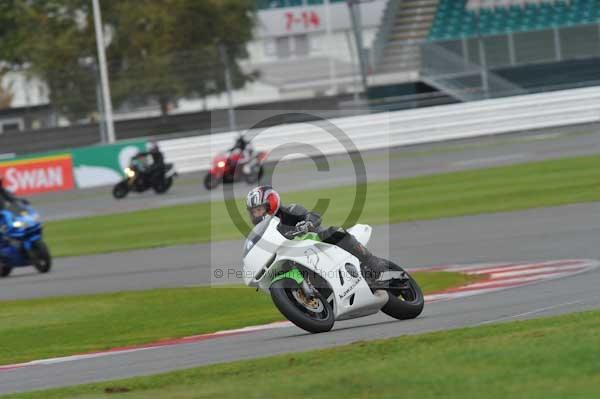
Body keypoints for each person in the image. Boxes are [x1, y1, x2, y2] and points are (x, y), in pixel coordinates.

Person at [245, 185, 405, 287]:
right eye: (253, 212)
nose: (256, 214)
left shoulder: (290, 211)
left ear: (271, 203)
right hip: (296, 256)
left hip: (316, 242)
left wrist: (307, 224)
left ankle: (376, 266)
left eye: (259, 209)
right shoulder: (267, 231)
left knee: (335, 232)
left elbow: (313, 215)